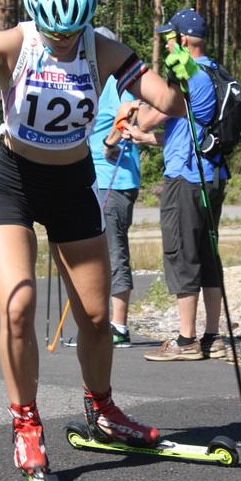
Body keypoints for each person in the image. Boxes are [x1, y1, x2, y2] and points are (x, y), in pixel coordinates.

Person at [0, 0, 196, 475]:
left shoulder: (102, 48)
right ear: (37, 19)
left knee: (96, 318)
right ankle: (26, 424)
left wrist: (180, 75)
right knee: (18, 306)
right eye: (55, 32)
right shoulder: (16, 42)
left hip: (73, 186)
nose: (64, 42)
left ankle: (103, 411)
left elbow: (170, 103)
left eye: (73, 32)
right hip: (13, 185)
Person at [118, 8, 228, 362]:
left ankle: (186, 339)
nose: (166, 46)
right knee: (207, 254)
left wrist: (136, 111)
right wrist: (145, 139)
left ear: (182, 41)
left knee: (182, 253)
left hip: (186, 178)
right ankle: (212, 336)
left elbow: (152, 117)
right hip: (212, 175)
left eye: (169, 39)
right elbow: (187, 131)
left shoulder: (189, 76)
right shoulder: (215, 71)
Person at [89, 26, 141, 348]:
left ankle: (119, 326)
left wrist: (110, 141)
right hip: (93, 177)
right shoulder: (91, 81)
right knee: (94, 253)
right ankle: (98, 323)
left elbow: (131, 117)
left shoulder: (118, 82)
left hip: (115, 179)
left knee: (114, 251)